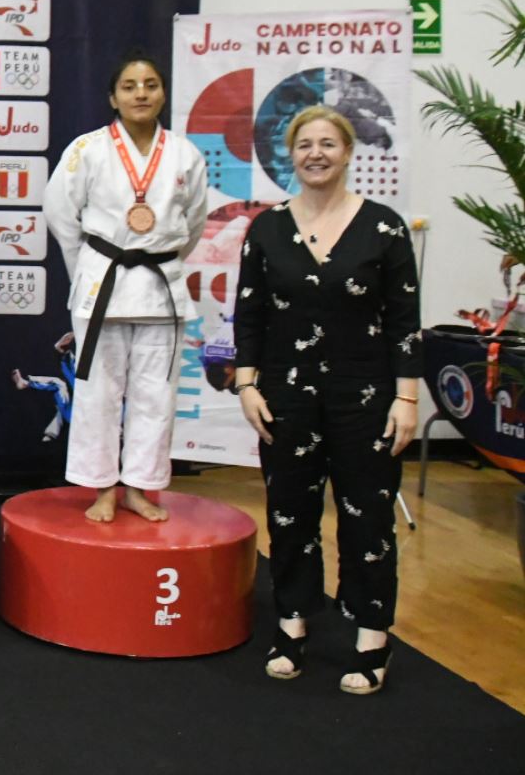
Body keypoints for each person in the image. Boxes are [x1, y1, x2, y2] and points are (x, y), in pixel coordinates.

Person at [233, 104, 419, 694]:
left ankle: (371, 638)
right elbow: (250, 315)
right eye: (304, 144)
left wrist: (407, 400)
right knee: (289, 513)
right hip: (285, 395)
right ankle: (291, 626)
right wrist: (246, 383)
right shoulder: (266, 227)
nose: (316, 153)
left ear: (348, 152)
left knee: (368, 519)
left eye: (328, 144)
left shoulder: (384, 228)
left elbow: (405, 323)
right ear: (291, 154)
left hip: (366, 397)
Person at [45, 51, 209, 523]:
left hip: (160, 284)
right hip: (103, 282)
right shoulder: (87, 149)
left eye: (151, 85)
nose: (141, 93)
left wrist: (165, 256)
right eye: (131, 86)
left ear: (162, 92)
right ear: (113, 96)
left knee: (156, 393)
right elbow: (59, 211)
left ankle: (140, 486)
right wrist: (87, 267)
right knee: (98, 392)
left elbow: (193, 222)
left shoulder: (184, 153)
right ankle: (100, 488)